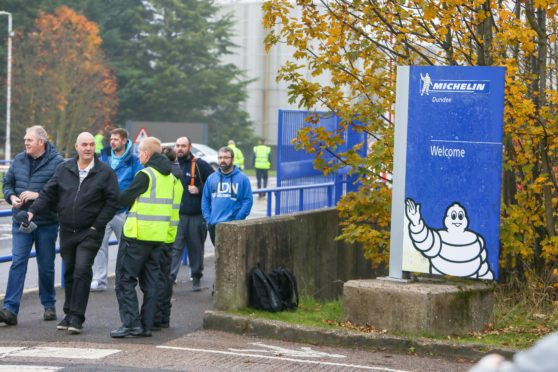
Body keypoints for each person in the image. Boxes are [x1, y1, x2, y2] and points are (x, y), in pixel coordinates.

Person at [27, 132, 119, 334]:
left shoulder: (105, 172)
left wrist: (98, 225)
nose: (88, 148)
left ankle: (77, 317)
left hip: (90, 231)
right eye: (84, 144)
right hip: (68, 231)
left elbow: (113, 201)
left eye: (91, 144)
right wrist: (32, 211)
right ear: (76, 147)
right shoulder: (64, 168)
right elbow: (48, 193)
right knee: (69, 272)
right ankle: (68, 313)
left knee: (82, 270)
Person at [111, 137, 183, 338]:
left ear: (147, 154)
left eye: (140, 152)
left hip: (136, 235)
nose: (138, 155)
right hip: (158, 238)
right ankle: (146, 325)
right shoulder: (170, 177)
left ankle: (130, 324)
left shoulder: (146, 174)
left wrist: (110, 195)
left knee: (125, 280)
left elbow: (124, 199)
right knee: (151, 284)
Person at [0, 126, 64, 326]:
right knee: (18, 263)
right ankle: (10, 309)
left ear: (41, 142)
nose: (25, 143)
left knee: (45, 265)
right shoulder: (19, 159)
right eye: (25, 139)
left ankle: (49, 305)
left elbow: (62, 192)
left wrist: (38, 195)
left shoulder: (58, 163)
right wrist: (11, 197)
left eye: (29, 140)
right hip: (21, 220)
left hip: (46, 222)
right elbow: (7, 183)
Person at [91, 128, 143, 291]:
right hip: (103, 211)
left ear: (124, 141)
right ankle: (99, 280)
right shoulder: (103, 157)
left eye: (115, 139)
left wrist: (127, 203)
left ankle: (125, 280)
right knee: (99, 246)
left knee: (127, 248)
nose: (112, 142)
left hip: (123, 211)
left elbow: (137, 184)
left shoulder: (134, 161)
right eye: (111, 139)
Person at [171, 137, 214, 292]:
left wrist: (199, 190)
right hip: (177, 215)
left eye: (183, 146)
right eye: (178, 146)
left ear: (190, 147)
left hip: (196, 215)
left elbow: (214, 183)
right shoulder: (171, 164)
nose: (180, 148)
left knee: (196, 248)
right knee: (175, 248)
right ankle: (170, 279)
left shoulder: (200, 164)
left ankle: (196, 278)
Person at [154, 146, 183, 329]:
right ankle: (164, 316)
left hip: (159, 233)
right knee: (165, 278)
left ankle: (157, 318)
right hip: (171, 232)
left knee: (157, 280)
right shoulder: (177, 180)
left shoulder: (165, 179)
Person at [202, 146, 253, 245]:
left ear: (232, 159)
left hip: (233, 225)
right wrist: (208, 219)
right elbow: (205, 199)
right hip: (214, 225)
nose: (222, 160)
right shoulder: (211, 178)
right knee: (219, 256)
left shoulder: (242, 178)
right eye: (220, 157)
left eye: (226, 157)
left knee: (233, 257)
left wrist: (238, 220)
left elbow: (247, 201)